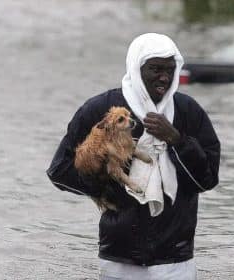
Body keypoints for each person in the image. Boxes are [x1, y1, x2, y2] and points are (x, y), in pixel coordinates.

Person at [46, 33, 220, 280]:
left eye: (170, 70)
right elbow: (59, 172)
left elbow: (207, 179)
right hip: (119, 257)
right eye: (156, 69)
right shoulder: (101, 110)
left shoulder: (188, 111)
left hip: (176, 260)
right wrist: (106, 181)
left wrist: (177, 140)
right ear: (137, 69)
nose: (164, 77)